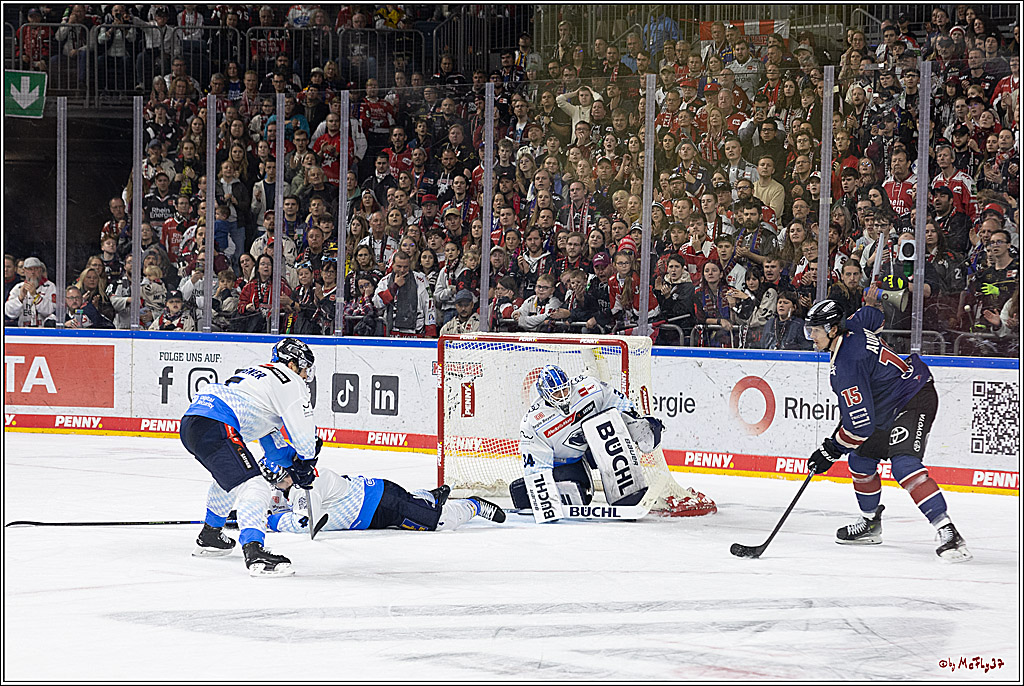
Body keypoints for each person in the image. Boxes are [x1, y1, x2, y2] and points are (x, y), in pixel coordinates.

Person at [803, 299, 971, 562]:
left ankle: (947, 530)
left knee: (904, 465)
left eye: (815, 330)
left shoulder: (846, 366)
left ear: (833, 329)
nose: (811, 336)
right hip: (888, 405)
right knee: (860, 460)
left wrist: (831, 449)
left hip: (913, 396)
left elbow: (860, 427)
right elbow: (874, 317)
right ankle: (870, 524)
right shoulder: (854, 325)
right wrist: (869, 305)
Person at [180, 338, 320, 576]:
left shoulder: (261, 380)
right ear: (292, 363)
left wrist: (295, 466)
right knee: (255, 485)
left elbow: (274, 449)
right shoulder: (289, 380)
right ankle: (256, 553)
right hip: (217, 423)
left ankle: (211, 535)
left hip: (194, 423)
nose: (306, 375)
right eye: (305, 368)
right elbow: (304, 435)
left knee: (231, 480)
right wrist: (306, 461)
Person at [511, 364, 666, 518]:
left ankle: (628, 493)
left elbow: (617, 403)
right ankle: (527, 492)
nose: (564, 395)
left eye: (565, 389)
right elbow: (536, 467)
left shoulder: (590, 387)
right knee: (578, 496)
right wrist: (544, 502)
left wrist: (636, 421)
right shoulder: (532, 422)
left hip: (592, 446)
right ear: (544, 394)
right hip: (565, 462)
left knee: (607, 427)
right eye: (557, 393)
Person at [264, 464, 504, 534]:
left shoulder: (310, 484)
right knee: (415, 505)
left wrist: (270, 522)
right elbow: (275, 505)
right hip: (373, 512)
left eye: (282, 476)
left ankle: (473, 505)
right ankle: (427, 496)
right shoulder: (288, 487)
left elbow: (303, 523)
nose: (279, 482)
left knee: (439, 522)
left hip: (383, 502)